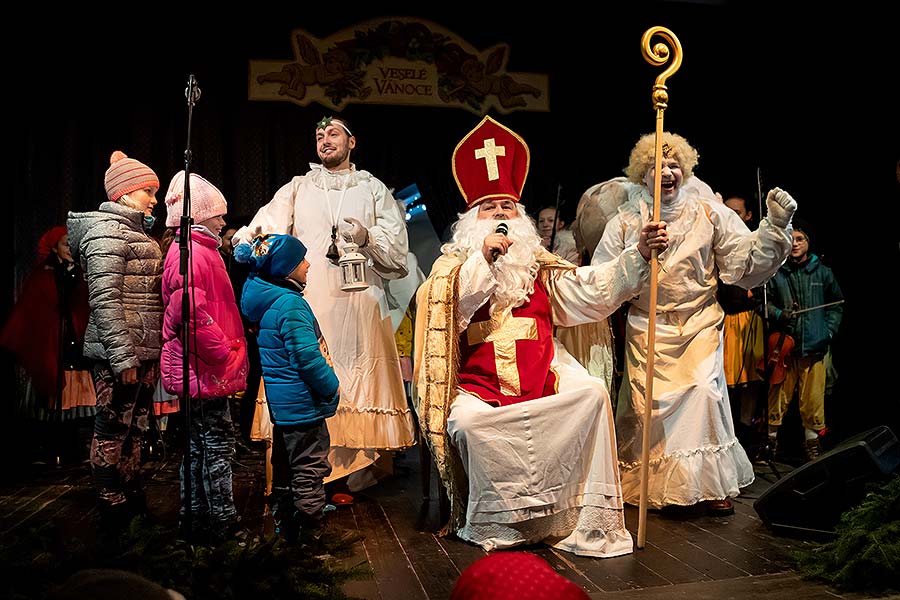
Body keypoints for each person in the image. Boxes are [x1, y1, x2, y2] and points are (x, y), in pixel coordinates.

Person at [414, 116, 668, 557]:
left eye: (507, 207)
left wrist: (638, 254)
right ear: (472, 221)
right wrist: (484, 263)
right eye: (489, 208)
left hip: (543, 369)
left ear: (523, 219)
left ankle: (571, 517)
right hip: (476, 381)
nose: (499, 215)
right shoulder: (451, 267)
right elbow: (443, 316)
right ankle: (501, 521)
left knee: (590, 395)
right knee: (471, 425)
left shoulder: (539, 266)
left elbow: (589, 290)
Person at [591, 132, 796, 515]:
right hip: (649, 326)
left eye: (674, 166)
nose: (667, 172)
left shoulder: (709, 213)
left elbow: (745, 265)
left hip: (698, 323)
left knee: (704, 391)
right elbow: (601, 280)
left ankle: (708, 485)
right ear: (643, 175)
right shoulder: (624, 223)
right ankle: (656, 486)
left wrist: (774, 227)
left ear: (685, 171)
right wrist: (638, 253)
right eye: (658, 166)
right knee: (649, 407)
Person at [232, 115, 416, 492]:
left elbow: (398, 255)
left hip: (361, 301)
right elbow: (266, 224)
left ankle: (353, 478)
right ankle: (310, 477)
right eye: (319, 135)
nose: (324, 140)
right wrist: (245, 241)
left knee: (358, 377)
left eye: (333, 134)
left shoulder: (373, 188)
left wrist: (367, 237)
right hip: (311, 300)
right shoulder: (299, 187)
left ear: (352, 142)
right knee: (313, 373)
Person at [66, 151, 164, 535]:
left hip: (142, 351)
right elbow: (105, 301)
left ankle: (131, 492)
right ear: (125, 193)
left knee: (134, 428)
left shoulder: (136, 231)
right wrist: (123, 357)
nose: (154, 199)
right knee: (111, 427)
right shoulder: (106, 231)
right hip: (119, 354)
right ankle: (111, 502)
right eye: (147, 191)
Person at [160, 171, 249, 541]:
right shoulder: (192, 254)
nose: (224, 221)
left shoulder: (200, 251)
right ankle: (223, 523)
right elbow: (190, 313)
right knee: (216, 446)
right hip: (205, 367)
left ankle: (194, 518)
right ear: (197, 216)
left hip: (203, 366)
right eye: (218, 214)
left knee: (198, 447)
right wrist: (222, 351)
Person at [236, 233, 341, 543]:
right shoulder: (290, 304)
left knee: (284, 465)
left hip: (286, 406)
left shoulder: (270, 301)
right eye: (300, 260)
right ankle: (310, 532)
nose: (308, 264)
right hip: (303, 403)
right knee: (310, 466)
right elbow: (307, 359)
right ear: (284, 268)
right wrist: (331, 386)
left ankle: (287, 527)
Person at [0, 226, 95, 466]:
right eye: (65, 245)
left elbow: (83, 307)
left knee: (75, 402)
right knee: (50, 402)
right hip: (51, 345)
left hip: (75, 344)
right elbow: (35, 312)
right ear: (54, 248)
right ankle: (48, 448)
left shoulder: (80, 274)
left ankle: (73, 448)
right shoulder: (43, 275)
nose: (70, 250)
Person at [765, 224, 843, 461]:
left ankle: (812, 443)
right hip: (784, 349)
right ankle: (770, 442)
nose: (795, 243)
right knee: (777, 397)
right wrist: (780, 314)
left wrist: (827, 332)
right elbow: (763, 304)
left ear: (808, 242)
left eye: (800, 239)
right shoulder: (776, 272)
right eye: (791, 239)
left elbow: (836, 304)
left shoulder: (823, 272)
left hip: (814, 347)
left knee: (812, 398)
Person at [717, 195, 766, 449]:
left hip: (750, 320)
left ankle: (748, 431)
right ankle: (729, 432)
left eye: (737, 212)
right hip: (726, 319)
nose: (731, 216)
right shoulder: (719, 239)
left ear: (748, 215)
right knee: (726, 380)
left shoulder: (752, 242)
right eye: (727, 211)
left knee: (751, 380)